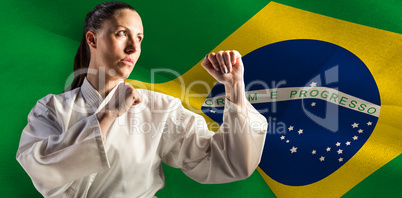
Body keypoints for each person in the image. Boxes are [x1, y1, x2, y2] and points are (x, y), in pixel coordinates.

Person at [16, 1, 267, 197]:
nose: (133, 49)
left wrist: (234, 87)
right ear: (92, 39)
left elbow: (230, 163)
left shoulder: (159, 108)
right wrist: (108, 114)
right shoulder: (51, 108)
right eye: (122, 34)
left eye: (139, 38)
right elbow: (42, 169)